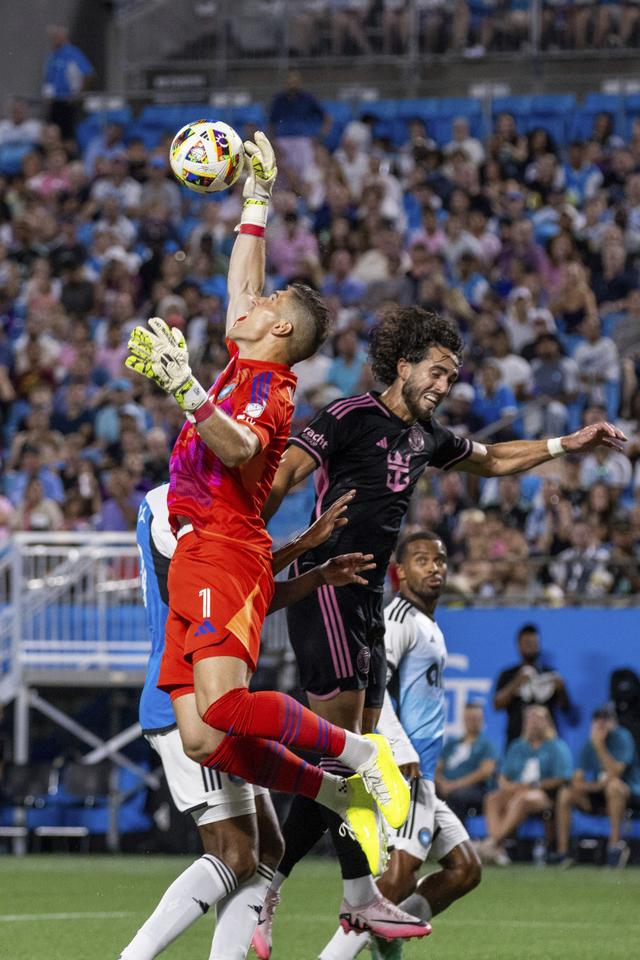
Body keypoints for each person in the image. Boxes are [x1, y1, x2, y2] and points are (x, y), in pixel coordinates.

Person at [254, 306, 624, 949]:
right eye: (436, 371)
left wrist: (566, 444)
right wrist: (244, 534)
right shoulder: (347, 417)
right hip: (329, 586)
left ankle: (318, 894)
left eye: (451, 376)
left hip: (367, 601)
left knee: (352, 762)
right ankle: (286, 890)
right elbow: (283, 474)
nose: (444, 385)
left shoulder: (426, 437)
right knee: (346, 751)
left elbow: (493, 460)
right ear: (403, 365)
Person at [125, 132, 411, 882]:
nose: (250, 303)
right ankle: (337, 790)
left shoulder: (267, 388)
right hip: (196, 546)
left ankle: (356, 754)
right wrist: (256, 198)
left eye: (269, 304)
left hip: (225, 544)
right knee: (200, 740)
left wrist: (184, 388)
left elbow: (242, 452)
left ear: (279, 328)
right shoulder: (246, 357)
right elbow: (240, 286)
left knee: (222, 708)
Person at [119, 483, 376, 960]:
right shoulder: (171, 503)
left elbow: (243, 591)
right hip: (188, 699)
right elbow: (217, 582)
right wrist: (300, 545)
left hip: (212, 692)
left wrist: (315, 574)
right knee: (233, 852)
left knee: (268, 849)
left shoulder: (206, 505)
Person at [315, 532, 482, 960]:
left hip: (421, 777)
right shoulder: (399, 618)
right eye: (422, 560)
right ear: (401, 572)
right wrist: (399, 748)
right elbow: (376, 688)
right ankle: (338, 953)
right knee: (397, 879)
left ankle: (388, 937)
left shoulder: (427, 623)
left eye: (440, 560)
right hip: (402, 772)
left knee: (464, 870)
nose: (434, 568)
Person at [478, 705, 573, 866]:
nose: (534, 723)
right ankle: (497, 848)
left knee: (523, 798)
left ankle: (492, 842)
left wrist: (533, 785)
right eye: (530, 719)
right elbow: (503, 775)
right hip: (516, 789)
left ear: (547, 723)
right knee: (492, 798)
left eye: (538, 719)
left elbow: (562, 778)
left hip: (543, 793)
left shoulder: (557, 746)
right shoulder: (517, 746)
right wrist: (507, 786)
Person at [551, 706, 640, 869]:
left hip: (627, 793)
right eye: (598, 719)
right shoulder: (589, 743)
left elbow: (615, 773)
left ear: (614, 721)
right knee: (566, 793)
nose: (602, 723)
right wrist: (594, 787)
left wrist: (600, 746)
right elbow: (577, 779)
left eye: (606, 719)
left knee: (614, 787)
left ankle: (614, 847)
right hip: (599, 792)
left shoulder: (622, 737)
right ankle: (563, 852)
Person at [494, 623, 572, 745]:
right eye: (527, 643)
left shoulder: (550, 674)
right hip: (516, 741)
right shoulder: (508, 674)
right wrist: (516, 683)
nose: (531, 647)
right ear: (519, 645)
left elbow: (565, 708)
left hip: (546, 743)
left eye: (534, 643)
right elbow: (497, 704)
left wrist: (561, 689)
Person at [436, 702, 497, 824]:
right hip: (446, 785)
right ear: (464, 719)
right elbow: (437, 768)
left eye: (475, 718)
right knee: (424, 790)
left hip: (474, 790)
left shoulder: (486, 745)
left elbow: (485, 771)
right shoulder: (451, 744)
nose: (472, 721)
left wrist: (454, 785)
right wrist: (442, 783)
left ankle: (455, 839)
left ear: (481, 720)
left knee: (457, 796)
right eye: (469, 718)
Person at [41, 24, 94, 140]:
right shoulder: (52, 56)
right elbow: (48, 79)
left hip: (68, 101)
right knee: (52, 133)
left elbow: (88, 73)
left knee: (68, 134)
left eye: (57, 36)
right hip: (54, 101)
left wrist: (78, 94)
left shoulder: (72, 53)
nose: (54, 39)